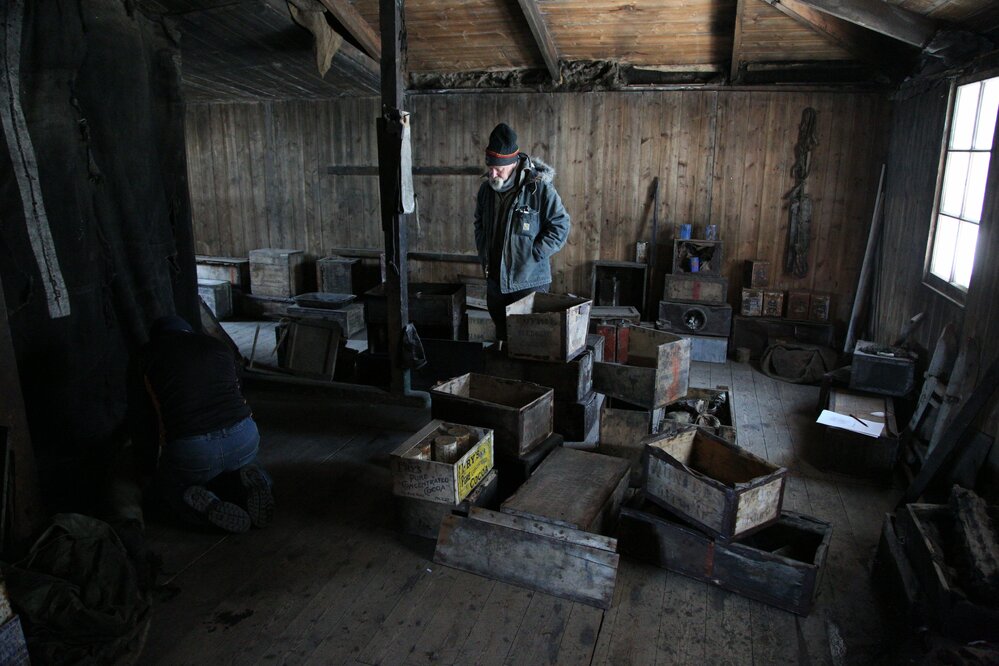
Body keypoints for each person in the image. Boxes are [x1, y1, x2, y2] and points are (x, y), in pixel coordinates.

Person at [128, 315, 273, 533]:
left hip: (192, 451)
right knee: (239, 465)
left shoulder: (144, 357)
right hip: (245, 436)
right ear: (188, 332)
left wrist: (147, 464)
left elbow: (143, 417)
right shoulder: (217, 346)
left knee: (168, 485)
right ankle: (257, 480)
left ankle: (197, 503)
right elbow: (237, 390)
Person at [473, 123, 571, 340]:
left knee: (528, 343)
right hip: (496, 282)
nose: (493, 173)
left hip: (528, 284)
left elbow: (560, 225)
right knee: (502, 340)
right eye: (490, 167)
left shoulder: (538, 188)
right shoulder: (486, 191)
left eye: (499, 168)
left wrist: (534, 253)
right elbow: (479, 223)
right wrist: (483, 250)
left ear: (513, 163)